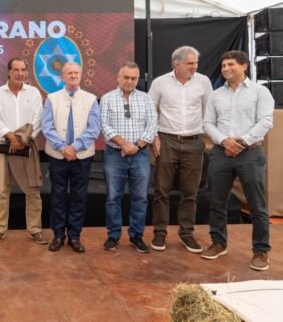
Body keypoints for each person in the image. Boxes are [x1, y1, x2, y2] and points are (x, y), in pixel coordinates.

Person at [202, 50, 274, 271]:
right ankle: (218, 243)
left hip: (250, 153)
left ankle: (260, 250)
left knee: (257, 204)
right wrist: (225, 141)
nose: (225, 69)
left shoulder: (260, 92)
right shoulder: (216, 95)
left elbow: (265, 121)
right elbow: (207, 123)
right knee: (217, 202)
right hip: (221, 153)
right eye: (223, 65)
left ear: (244, 66)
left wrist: (241, 142)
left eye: (230, 64)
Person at [149, 46, 212, 253]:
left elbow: (209, 110)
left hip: (194, 141)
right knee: (161, 190)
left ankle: (186, 234)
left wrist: (205, 138)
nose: (195, 67)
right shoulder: (160, 83)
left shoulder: (203, 82)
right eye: (190, 63)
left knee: (190, 192)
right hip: (166, 140)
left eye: (196, 63)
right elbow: (150, 111)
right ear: (176, 64)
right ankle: (160, 233)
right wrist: (154, 136)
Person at [41, 62, 100, 253]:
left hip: (82, 157)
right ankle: (58, 235)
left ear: (81, 75)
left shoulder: (91, 99)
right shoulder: (52, 98)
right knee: (57, 196)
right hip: (57, 156)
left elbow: (94, 128)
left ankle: (74, 236)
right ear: (62, 77)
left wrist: (74, 147)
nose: (73, 76)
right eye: (69, 73)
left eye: (76, 73)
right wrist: (62, 148)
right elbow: (47, 127)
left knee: (78, 197)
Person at [100, 62, 157, 253]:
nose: (130, 81)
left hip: (140, 155)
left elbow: (152, 124)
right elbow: (104, 126)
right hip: (114, 154)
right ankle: (113, 236)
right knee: (112, 197)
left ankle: (136, 236)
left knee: (140, 198)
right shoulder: (107, 98)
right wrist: (124, 144)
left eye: (134, 78)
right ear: (118, 77)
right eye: (126, 77)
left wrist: (136, 146)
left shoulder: (146, 98)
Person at [0, 57, 46, 245]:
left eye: (23, 70)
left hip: (27, 147)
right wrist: (11, 137)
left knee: (33, 191)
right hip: (4, 147)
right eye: (16, 70)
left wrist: (22, 140)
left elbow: (38, 118)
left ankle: (35, 229)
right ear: (8, 72)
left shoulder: (34, 93)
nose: (20, 73)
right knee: (1, 191)